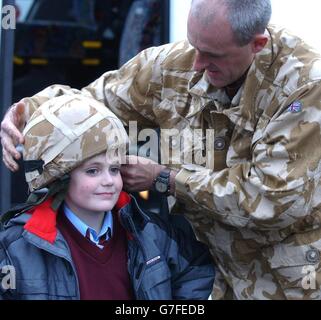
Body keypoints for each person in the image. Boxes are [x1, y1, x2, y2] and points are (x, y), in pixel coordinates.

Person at [2, 0, 321, 299]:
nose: (196, 64)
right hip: (211, 275)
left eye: (211, 55)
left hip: (286, 282)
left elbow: (269, 199)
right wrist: (29, 110)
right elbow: (91, 103)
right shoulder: (176, 65)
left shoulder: (303, 87)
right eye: (194, 45)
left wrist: (164, 178)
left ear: (257, 45)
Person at [0, 95, 215, 300]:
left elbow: (196, 269)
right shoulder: (16, 247)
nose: (109, 181)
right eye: (93, 171)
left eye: (114, 169)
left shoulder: (148, 234)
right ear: (59, 179)